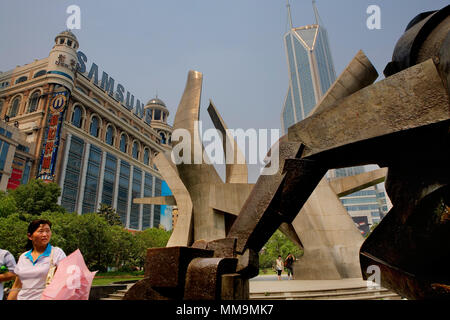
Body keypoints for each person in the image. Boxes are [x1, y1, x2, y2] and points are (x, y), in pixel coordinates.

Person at [8, 219, 66, 300]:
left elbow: (65, 280)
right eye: (41, 231)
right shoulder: (23, 257)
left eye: (48, 231)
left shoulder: (57, 253)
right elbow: (17, 286)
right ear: (30, 236)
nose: (45, 234)